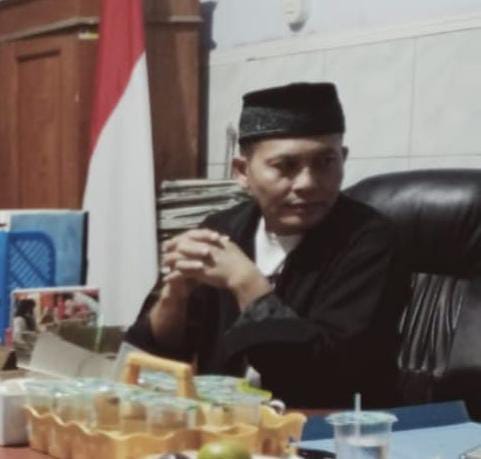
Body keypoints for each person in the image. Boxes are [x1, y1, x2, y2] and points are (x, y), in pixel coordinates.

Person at [126, 82, 410, 408]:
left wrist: (246, 282)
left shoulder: (370, 240)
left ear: (343, 159)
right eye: (285, 166)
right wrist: (175, 296)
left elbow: (328, 376)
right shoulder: (221, 231)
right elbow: (151, 363)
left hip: (327, 428)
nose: (308, 183)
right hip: (227, 426)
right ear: (242, 172)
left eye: (325, 162)